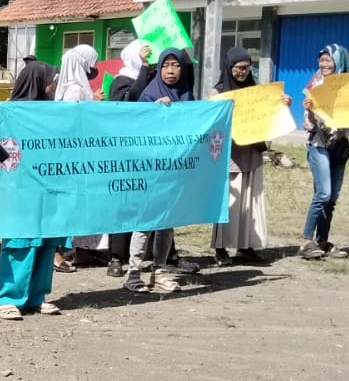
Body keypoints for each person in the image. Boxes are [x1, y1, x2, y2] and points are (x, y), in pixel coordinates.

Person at [0, 61, 66, 320]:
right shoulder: (10, 113)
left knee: (46, 240)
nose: (54, 86)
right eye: (51, 81)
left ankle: (37, 296)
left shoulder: (55, 115)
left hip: (48, 188)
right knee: (21, 241)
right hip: (20, 191)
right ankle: (9, 297)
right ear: (38, 82)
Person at [124, 49, 196, 294]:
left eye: (176, 66)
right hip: (150, 168)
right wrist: (154, 110)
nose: (170, 71)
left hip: (175, 168)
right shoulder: (149, 94)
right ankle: (133, 272)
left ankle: (160, 271)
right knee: (145, 220)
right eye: (166, 66)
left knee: (166, 223)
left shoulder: (186, 94)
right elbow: (135, 126)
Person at [210, 47, 282, 266]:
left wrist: (280, 104)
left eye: (246, 67)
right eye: (237, 68)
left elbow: (268, 116)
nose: (242, 72)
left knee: (250, 201)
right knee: (229, 202)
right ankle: (221, 248)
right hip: (230, 155)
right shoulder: (219, 93)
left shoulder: (255, 91)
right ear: (229, 67)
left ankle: (246, 247)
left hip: (251, 152)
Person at [300, 44, 349, 260]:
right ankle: (306, 241)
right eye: (321, 59)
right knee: (322, 193)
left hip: (339, 146)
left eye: (328, 60)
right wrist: (312, 112)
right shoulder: (315, 84)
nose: (323, 64)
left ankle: (322, 241)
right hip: (318, 144)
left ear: (339, 62)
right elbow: (308, 123)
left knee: (332, 197)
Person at [53, 44, 101, 272]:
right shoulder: (74, 89)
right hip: (76, 154)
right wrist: (95, 105)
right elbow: (74, 122)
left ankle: (72, 248)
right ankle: (64, 249)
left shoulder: (67, 87)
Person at [103, 42, 149, 277]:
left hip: (147, 153)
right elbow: (132, 102)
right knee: (123, 203)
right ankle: (116, 256)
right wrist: (143, 68)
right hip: (123, 154)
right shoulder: (121, 81)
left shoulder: (151, 77)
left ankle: (147, 254)